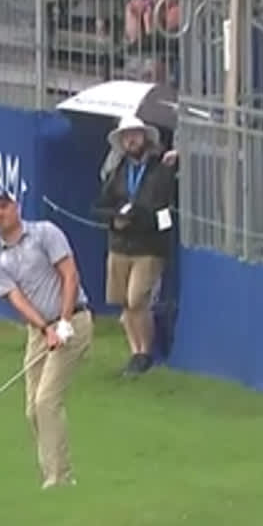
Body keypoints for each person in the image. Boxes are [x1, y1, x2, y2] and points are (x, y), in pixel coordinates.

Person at [0, 190, 95, 490]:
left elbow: (70, 275)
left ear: (16, 207)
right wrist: (46, 329)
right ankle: (52, 472)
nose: (0, 214)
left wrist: (65, 322)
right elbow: (17, 300)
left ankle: (60, 477)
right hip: (41, 331)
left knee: (47, 400)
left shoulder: (45, 233)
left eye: (4, 206)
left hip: (74, 320)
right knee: (33, 408)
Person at [93, 116, 178, 377]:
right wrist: (115, 219)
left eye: (135, 135)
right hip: (120, 245)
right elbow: (101, 205)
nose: (131, 140)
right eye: (126, 136)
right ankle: (135, 351)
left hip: (148, 247)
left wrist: (138, 219)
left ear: (145, 137)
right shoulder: (118, 171)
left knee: (137, 298)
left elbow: (164, 210)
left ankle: (145, 353)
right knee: (123, 302)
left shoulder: (160, 169)